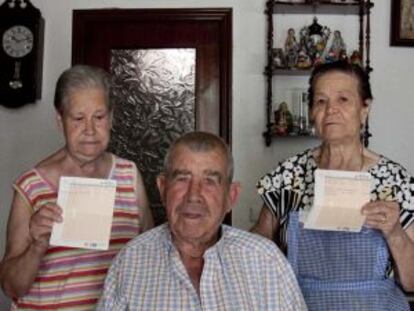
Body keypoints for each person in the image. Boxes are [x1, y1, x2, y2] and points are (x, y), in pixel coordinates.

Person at [252, 61, 414, 310]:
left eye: (343, 99)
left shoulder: (395, 181)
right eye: (321, 101)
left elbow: (412, 282)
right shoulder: (287, 175)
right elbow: (256, 252)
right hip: (299, 305)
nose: (331, 110)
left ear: (364, 108)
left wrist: (394, 232)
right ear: (312, 112)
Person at [0, 65, 153, 310]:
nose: (90, 130)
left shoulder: (129, 176)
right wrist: (38, 245)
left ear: (111, 118)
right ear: (60, 121)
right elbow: (10, 287)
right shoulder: (31, 186)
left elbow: (150, 257)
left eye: (99, 117)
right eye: (78, 118)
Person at [97, 131, 306, 310]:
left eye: (210, 181)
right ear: (162, 188)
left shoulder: (266, 262)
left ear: (231, 197)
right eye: (182, 178)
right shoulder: (130, 264)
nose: (193, 195)